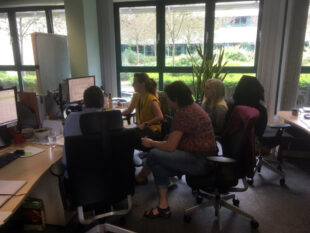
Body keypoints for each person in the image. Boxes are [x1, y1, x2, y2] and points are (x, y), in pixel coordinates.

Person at [141, 81, 217, 218]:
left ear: (175, 99)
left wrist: (151, 142)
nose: (168, 101)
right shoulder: (193, 107)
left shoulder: (183, 114)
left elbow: (170, 147)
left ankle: (140, 177)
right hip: (203, 158)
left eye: (169, 98)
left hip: (200, 161)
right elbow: (173, 141)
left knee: (153, 154)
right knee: (159, 166)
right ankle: (163, 208)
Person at [62, 86, 104, 167]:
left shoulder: (71, 118)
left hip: (75, 175)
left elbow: (66, 136)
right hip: (103, 174)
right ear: (103, 103)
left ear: (84, 103)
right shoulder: (110, 120)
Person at [122, 72, 163, 145]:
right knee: (122, 134)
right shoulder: (136, 96)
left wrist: (145, 124)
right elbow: (129, 110)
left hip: (152, 129)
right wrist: (115, 114)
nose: (132, 85)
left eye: (135, 82)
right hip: (140, 127)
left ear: (142, 84)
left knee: (128, 137)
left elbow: (160, 117)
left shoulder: (151, 99)